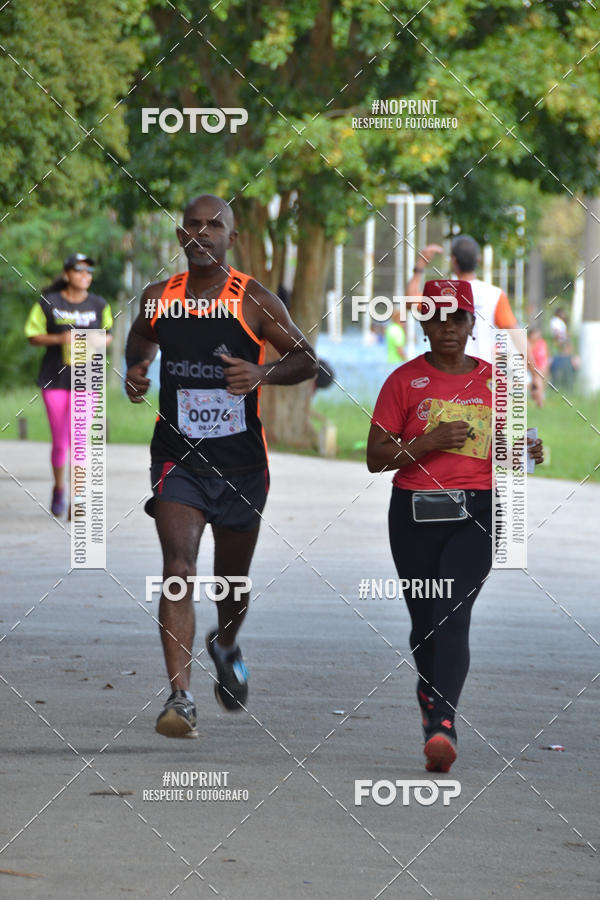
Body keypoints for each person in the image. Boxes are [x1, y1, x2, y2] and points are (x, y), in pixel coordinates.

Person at [124, 194, 317, 738]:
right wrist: (137, 369)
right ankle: (180, 697)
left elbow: (307, 359)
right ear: (180, 235)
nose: (201, 234)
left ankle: (225, 643)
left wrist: (261, 374)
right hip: (177, 457)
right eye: (192, 225)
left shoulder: (253, 298)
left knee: (232, 582)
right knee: (179, 568)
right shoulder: (160, 297)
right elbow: (139, 340)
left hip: (241, 466)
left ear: (232, 238)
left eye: (214, 226)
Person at [367, 279, 543, 773]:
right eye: (437, 318)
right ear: (423, 324)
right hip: (415, 514)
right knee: (425, 627)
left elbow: (510, 454)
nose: (447, 327)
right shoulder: (402, 382)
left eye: (457, 318)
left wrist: (527, 451)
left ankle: (443, 724)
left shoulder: (496, 380)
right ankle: (431, 698)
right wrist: (429, 441)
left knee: (452, 612)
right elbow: (375, 458)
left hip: (482, 512)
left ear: (472, 324)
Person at [24, 253, 113, 517]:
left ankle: (79, 498)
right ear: (67, 274)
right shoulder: (49, 303)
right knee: (60, 442)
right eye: (79, 270)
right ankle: (59, 487)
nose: (85, 275)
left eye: (89, 271)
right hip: (55, 380)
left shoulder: (99, 304)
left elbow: (108, 336)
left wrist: (98, 340)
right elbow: (32, 336)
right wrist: (60, 339)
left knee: (80, 441)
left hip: (87, 379)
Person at [407, 236, 544, 402]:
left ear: (454, 261)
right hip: (482, 380)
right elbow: (517, 336)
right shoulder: (494, 295)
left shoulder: (443, 293)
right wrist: (535, 374)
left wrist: (420, 266)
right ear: (478, 260)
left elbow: (410, 301)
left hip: (446, 378)